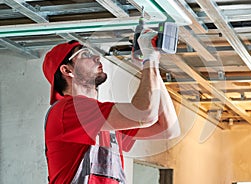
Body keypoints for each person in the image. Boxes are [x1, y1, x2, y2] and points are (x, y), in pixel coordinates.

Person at [42, 30, 180, 184]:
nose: (97, 57)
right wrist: (149, 61)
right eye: (85, 54)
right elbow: (145, 113)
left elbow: (169, 129)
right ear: (67, 70)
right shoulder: (67, 111)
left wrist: (150, 67)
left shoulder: (103, 118)